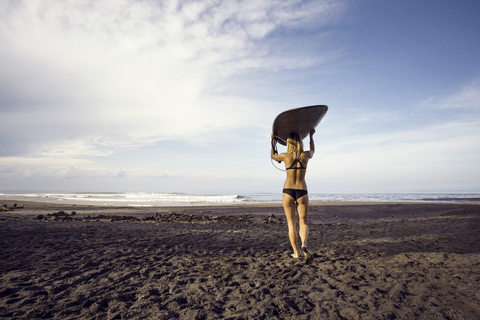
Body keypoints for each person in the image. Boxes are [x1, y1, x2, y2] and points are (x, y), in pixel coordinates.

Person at [271, 129, 315, 263]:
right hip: (302, 191)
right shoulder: (305, 155)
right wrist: (311, 136)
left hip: (288, 191)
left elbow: (273, 156)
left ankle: (296, 253)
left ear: (288, 143)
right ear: (300, 142)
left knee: (291, 223)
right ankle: (304, 245)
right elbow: (313, 151)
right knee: (303, 222)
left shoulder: (285, 156)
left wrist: (273, 141)